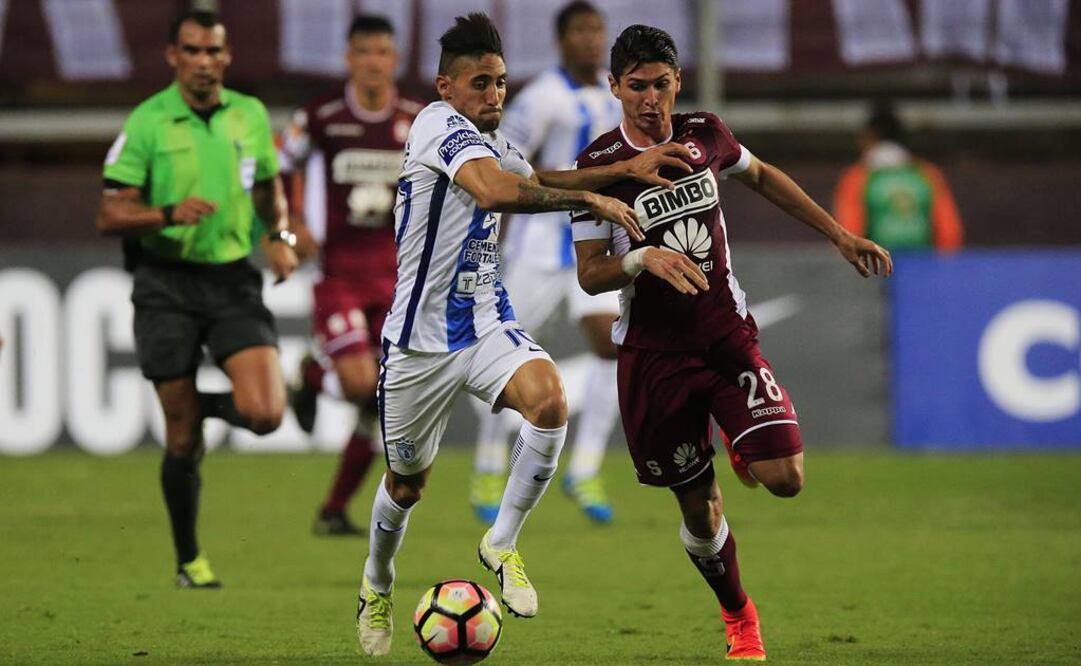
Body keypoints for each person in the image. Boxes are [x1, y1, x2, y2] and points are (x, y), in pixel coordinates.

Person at [354, 13, 690, 656]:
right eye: (480, 83)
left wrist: (625, 171)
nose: (494, 95)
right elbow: (493, 194)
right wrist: (589, 204)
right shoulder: (436, 126)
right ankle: (376, 583)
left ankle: (501, 542)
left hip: (484, 323)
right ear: (445, 87)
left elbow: (541, 180)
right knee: (406, 486)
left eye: (502, 82)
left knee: (550, 401)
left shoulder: (496, 141)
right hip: (419, 342)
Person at [570, 25, 892, 660]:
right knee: (698, 510)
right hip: (654, 358)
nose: (650, 99)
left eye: (661, 84)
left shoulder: (705, 135)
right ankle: (739, 616)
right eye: (636, 86)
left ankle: (736, 439)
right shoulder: (596, 169)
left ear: (678, 82)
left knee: (787, 478)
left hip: (724, 338)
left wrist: (838, 232)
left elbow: (763, 175)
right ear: (613, 87)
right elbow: (588, 274)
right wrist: (641, 261)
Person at [96, 10, 299, 588]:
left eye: (214, 51)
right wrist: (165, 213)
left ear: (226, 56)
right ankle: (189, 559)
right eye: (193, 52)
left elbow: (267, 185)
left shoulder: (249, 115)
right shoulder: (148, 123)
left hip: (232, 278)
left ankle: (197, 405)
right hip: (165, 283)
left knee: (265, 413)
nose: (205, 62)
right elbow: (109, 212)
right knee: (181, 440)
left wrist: (278, 236)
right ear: (173, 57)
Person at [469, 0, 623, 526]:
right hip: (537, 246)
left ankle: (584, 468)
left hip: (595, 241)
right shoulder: (539, 100)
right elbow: (505, 163)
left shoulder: (616, 94)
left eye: (597, 30)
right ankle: (489, 464)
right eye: (580, 30)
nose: (591, 39)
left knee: (612, 345)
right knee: (502, 357)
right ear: (560, 41)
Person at [280, 15, 425, 537]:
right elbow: (280, 166)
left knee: (382, 401)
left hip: (397, 278)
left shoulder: (416, 119)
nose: (373, 61)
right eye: (363, 51)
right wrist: (292, 223)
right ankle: (312, 375)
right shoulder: (322, 116)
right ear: (349, 58)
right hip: (338, 274)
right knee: (364, 383)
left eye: (382, 52)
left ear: (394, 58)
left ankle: (333, 509)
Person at [833, 101, 963, 252]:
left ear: (869, 136)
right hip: (924, 266)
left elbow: (848, 232)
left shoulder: (858, 177)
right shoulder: (926, 174)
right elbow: (949, 232)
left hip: (876, 268)